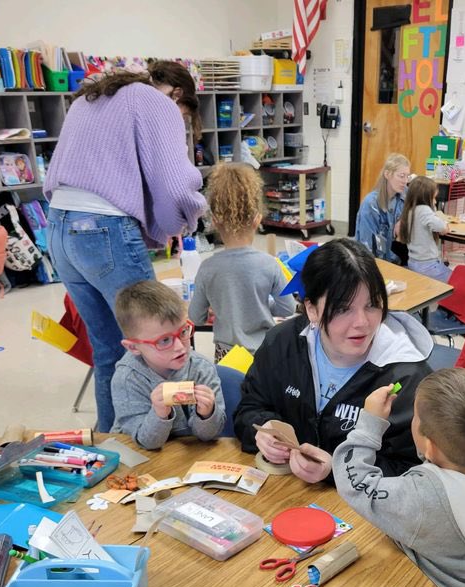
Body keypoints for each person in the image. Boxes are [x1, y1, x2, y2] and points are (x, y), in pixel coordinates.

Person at [45, 62, 207, 432]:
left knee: (110, 351)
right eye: (182, 117)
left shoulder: (95, 95)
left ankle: (111, 441)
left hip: (59, 227)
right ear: (178, 96)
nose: (178, 123)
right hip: (103, 229)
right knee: (165, 342)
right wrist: (190, 217)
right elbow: (175, 184)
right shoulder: (155, 102)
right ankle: (177, 442)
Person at [233, 237, 435, 484]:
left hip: (363, 514)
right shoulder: (282, 343)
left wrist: (337, 470)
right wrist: (263, 429)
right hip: (287, 494)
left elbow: (417, 473)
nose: (362, 322)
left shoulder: (407, 377)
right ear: (312, 310)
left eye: (372, 305)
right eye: (343, 309)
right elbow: (248, 408)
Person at [332, 367, 465, 587]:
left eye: (415, 417)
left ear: (430, 446)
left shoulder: (422, 499)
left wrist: (369, 423)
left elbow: (355, 483)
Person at [189, 163, 296, 361]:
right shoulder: (269, 264)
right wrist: (262, 307)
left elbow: (195, 317)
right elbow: (288, 308)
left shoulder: (208, 268)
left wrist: (222, 309)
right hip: (264, 354)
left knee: (230, 391)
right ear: (257, 219)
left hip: (226, 355)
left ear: (214, 220)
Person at [111, 280, 225, 449]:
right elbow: (146, 443)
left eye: (184, 331)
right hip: (141, 457)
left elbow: (211, 435)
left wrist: (207, 414)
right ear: (133, 347)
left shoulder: (201, 368)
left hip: (188, 458)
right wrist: (159, 415)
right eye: (164, 340)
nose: (180, 347)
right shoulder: (128, 379)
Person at [354, 153, 410, 264]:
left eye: (407, 176)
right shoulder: (371, 204)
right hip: (376, 262)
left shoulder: (404, 193)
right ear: (387, 174)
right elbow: (367, 248)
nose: (405, 181)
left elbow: (421, 208)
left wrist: (403, 219)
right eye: (401, 176)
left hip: (395, 258)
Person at [396, 175, 451, 281]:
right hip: (428, 265)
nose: (435, 202)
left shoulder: (409, 210)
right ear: (425, 198)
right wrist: (445, 223)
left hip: (413, 262)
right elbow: (443, 228)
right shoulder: (424, 210)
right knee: (456, 280)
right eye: (434, 198)